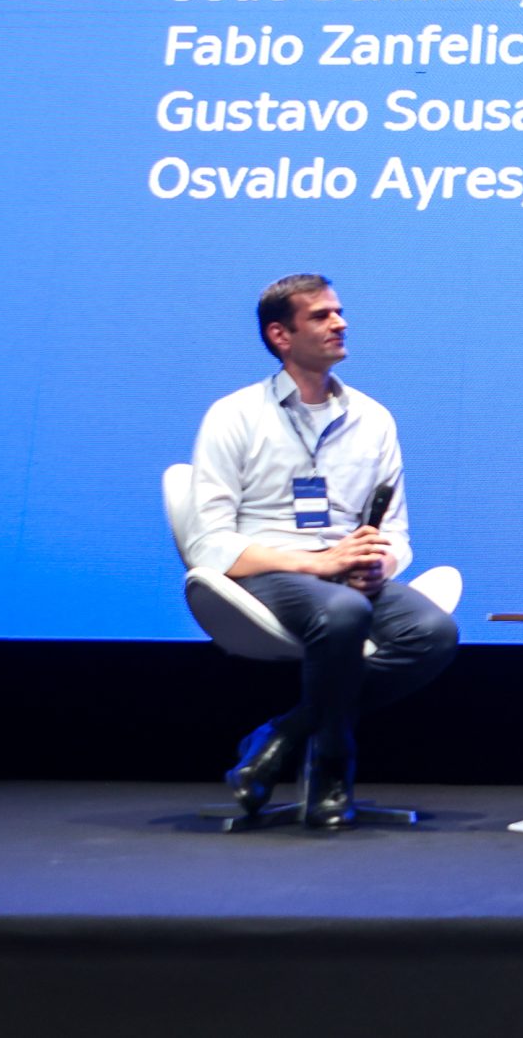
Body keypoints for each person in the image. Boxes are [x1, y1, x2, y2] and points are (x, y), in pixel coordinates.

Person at [186, 274, 459, 828]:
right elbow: (208, 542)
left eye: (339, 312)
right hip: (270, 572)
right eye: (322, 315)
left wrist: (379, 562)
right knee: (344, 611)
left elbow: (395, 531)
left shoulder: (373, 418)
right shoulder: (234, 415)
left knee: (433, 632)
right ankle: (333, 762)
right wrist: (317, 564)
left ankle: (282, 735)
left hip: (347, 576)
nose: (341, 323)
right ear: (280, 335)